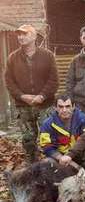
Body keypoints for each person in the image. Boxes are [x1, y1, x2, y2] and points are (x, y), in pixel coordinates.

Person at [5, 24, 59, 162]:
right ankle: (32, 168)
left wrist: (42, 96)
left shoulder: (47, 56)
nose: (21, 37)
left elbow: (53, 80)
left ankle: (52, 165)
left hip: (45, 105)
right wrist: (22, 96)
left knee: (49, 137)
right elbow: (9, 82)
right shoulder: (13, 58)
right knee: (28, 140)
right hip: (23, 107)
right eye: (19, 34)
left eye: (25, 34)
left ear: (34, 36)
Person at [39, 94, 85, 162]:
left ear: (73, 106)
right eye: (60, 107)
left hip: (79, 153)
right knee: (47, 162)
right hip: (59, 157)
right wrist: (60, 158)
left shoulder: (83, 119)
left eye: (68, 106)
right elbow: (46, 146)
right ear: (55, 108)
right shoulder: (47, 124)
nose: (64, 110)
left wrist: (70, 155)